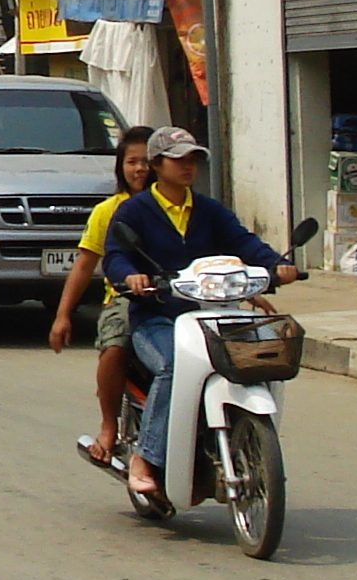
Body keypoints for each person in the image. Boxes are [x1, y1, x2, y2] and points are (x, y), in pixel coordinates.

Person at [102, 127, 302, 503]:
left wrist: (277, 264)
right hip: (156, 318)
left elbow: (244, 243)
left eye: (192, 159)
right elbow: (114, 255)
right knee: (173, 366)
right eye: (178, 159)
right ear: (157, 164)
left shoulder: (209, 210)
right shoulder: (135, 211)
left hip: (211, 314)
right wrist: (131, 275)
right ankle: (145, 458)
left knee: (257, 352)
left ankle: (243, 443)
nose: (187, 166)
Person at [50, 123, 155, 468]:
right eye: (132, 161)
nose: (141, 169)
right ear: (121, 168)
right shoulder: (107, 211)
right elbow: (84, 266)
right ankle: (109, 425)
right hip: (126, 300)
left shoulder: (185, 206)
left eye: (148, 161)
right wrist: (63, 316)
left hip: (180, 298)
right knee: (115, 347)